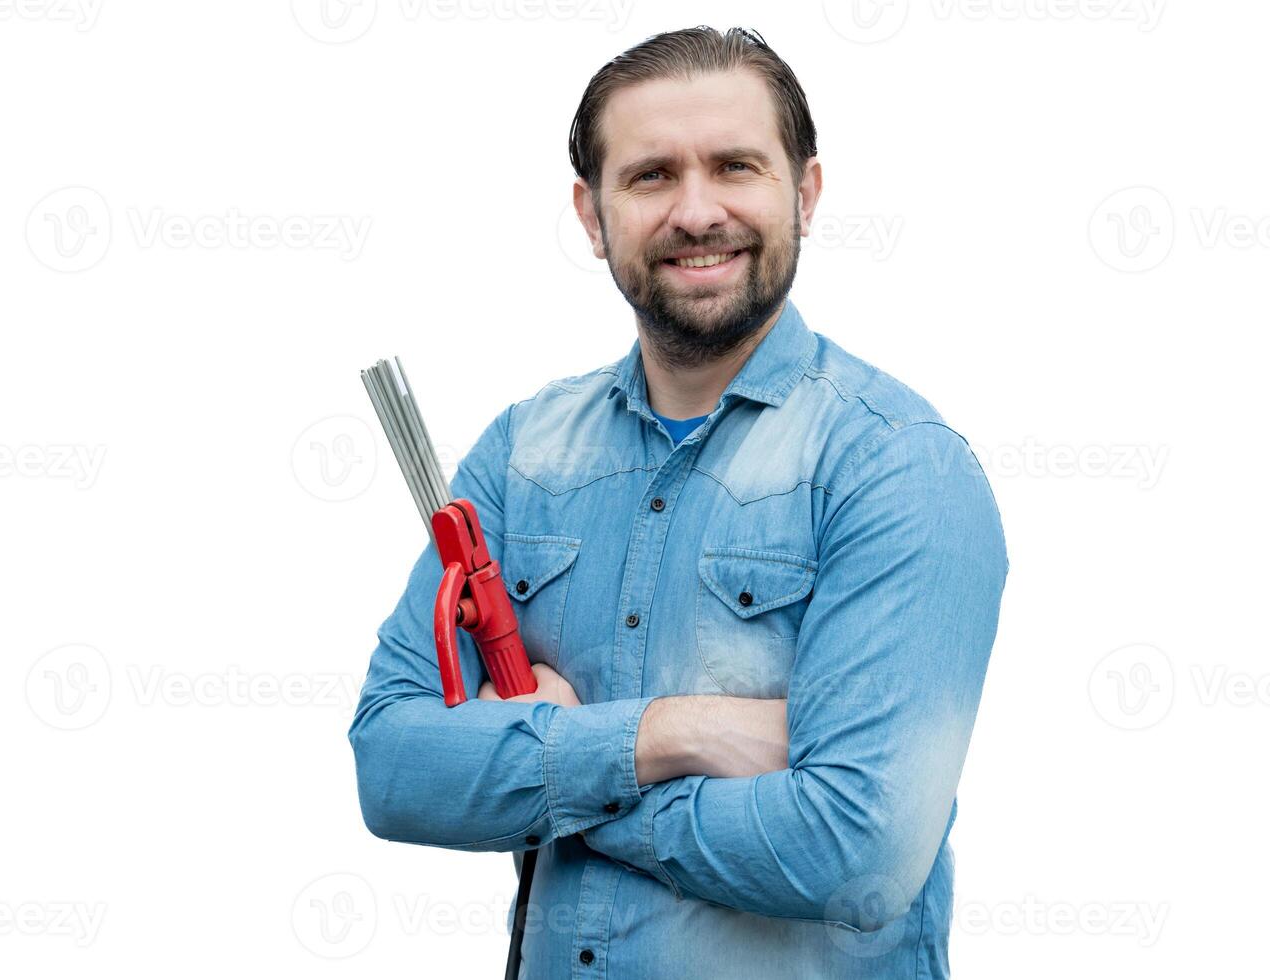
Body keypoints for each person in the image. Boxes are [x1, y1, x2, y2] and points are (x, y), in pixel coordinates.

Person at [349, 25, 1008, 979]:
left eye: (735, 166)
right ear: (591, 214)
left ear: (805, 193)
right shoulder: (520, 456)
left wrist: (550, 773)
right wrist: (668, 735)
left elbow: (857, 857)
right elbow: (392, 767)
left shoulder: (900, 470)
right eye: (651, 175)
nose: (697, 212)